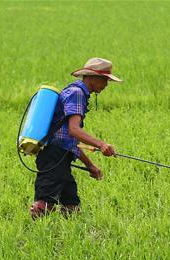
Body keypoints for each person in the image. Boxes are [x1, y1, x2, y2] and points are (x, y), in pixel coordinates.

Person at [30, 57, 121, 219]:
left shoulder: (75, 92)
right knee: (44, 205)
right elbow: (74, 131)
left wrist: (91, 165)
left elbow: (69, 142)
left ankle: (70, 235)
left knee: (71, 202)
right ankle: (34, 236)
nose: (106, 85)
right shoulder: (77, 93)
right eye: (105, 80)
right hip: (53, 157)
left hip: (60, 156)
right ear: (92, 78)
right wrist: (101, 144)